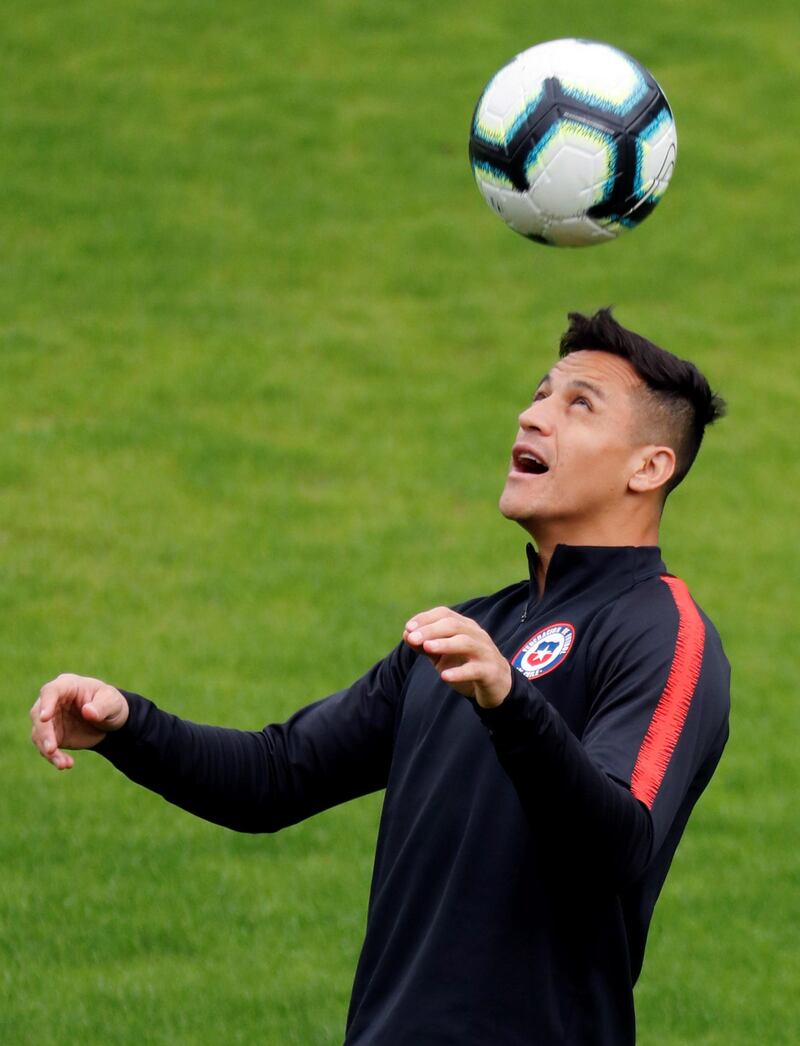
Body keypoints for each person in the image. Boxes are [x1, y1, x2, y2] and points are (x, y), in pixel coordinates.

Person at [30, 308, 730, 1045]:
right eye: (539, 393)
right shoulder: (468, 631)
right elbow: (276, 776)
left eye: (577, 403)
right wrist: (131, 726)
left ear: (649, 466)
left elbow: (615, 848)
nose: (531, 415)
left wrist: (509, 702)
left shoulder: (663, 631)